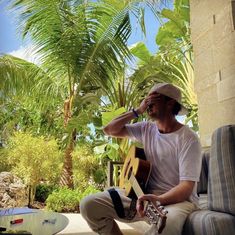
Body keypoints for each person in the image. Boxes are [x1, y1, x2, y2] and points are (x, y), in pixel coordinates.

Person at [80, 83, 202, 235]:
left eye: (152, 100)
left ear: (170, 103)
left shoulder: (188, 138)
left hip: (177, 202)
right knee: (89, 205)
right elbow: (109, 130)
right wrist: (137, 111)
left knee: (166, 226)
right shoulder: (146, 129)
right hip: (143, 195)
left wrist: (158, 199)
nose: (148, 104)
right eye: (147, 101)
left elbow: (186, 187)